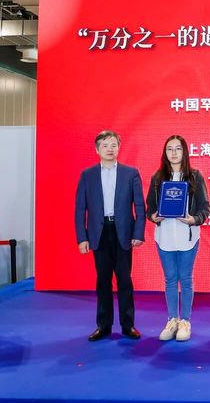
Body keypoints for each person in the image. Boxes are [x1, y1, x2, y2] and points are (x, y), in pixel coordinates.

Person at [75, 130, 145, 341]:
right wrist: (82, 237)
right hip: (99, 232)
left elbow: (139, 206)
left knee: (125, 280)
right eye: (105, 145)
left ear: (119, 148)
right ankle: (103, 326)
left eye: (113, 145)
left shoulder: (130, 173)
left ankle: (128, 325)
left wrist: (138, 232)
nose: (110, 149)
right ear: (97, 149)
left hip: (123, 232)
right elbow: (80, 209)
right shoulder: (87, 175)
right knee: (103, 280)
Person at [146, 135, 210, 342]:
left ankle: (185, 321)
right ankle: (172, 319)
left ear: (185, 152)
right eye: (169, 149)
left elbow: (205, 207)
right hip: (164, 236)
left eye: (178, 149)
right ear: (165, 153)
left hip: (187, 237)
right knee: (170, 279)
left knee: (186, 278)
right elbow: (150, 208)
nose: (174, 153)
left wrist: (194, 219)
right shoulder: (157, 178)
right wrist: (154, 216)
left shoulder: (195, 176)